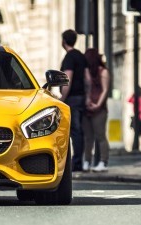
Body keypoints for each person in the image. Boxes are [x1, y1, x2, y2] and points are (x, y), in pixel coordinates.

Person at [60, 29, 92, 172]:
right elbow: (88, 79)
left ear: (64, 41)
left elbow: (67, 80)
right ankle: (78, 161)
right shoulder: (81, 56)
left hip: (71, 99)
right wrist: (88, 96)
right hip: (81, 97)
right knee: (79, 130)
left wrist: (62, 98)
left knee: (74, 130)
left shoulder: (69, 58)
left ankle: (76, 163)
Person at [82, 48, 110, 172]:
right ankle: (87, 161)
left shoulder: (103, 72)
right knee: (88, 137)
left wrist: (98, 105)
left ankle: (103, 162)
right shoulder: (87, 72)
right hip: (88, 108)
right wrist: (87, 101)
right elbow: (87, 88)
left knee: (100, 136)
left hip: (100, 109)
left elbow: (105, 90)